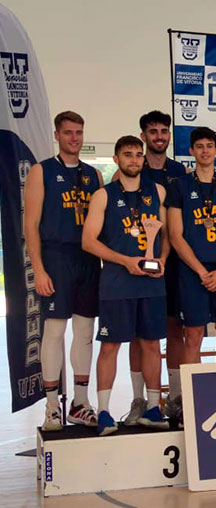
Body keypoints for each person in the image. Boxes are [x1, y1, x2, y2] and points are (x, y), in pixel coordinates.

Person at [82, 135, 169, 435]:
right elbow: (88, 241)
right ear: (116, 160)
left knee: (151, 344)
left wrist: (163, 261)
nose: (133, 159)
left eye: (137, 154)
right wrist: (124, 260)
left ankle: (154, 407)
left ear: (144, 159)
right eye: (127, 154)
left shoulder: (157, 192)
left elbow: (167, 235)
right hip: (117, 283)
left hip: (151, 284)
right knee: (110, 346)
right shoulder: (103, 196)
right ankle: (104, 412)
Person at [24, 111, 103, 431]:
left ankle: (80, 403)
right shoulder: (41, 172)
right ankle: (52, 405)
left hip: (87, 259)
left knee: (85, 332)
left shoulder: (95, 175)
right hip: (56, 257)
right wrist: (39, 270)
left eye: (79, 132)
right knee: (54, 331)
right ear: (57, 135)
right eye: (68, 133)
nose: (75, 138)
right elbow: (30, 226)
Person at [125, 110, 188, 426]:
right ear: (143, 135)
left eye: (164, 131)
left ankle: (175, 398)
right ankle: (139, 401)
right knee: (139, 334)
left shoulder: (180, 172)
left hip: (175, 263)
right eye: (153, 131)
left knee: (176, 329)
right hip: (138, 265)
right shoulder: (134, 169)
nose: (159, 136)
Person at [166, 127, 216, 370]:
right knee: (192, 337)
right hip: (192, 273)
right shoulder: (179, 186)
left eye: (209, 146)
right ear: (191, 150)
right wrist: (201, 272)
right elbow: (175, 236)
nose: (204, 151)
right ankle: (193, 402)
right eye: (199, 147)